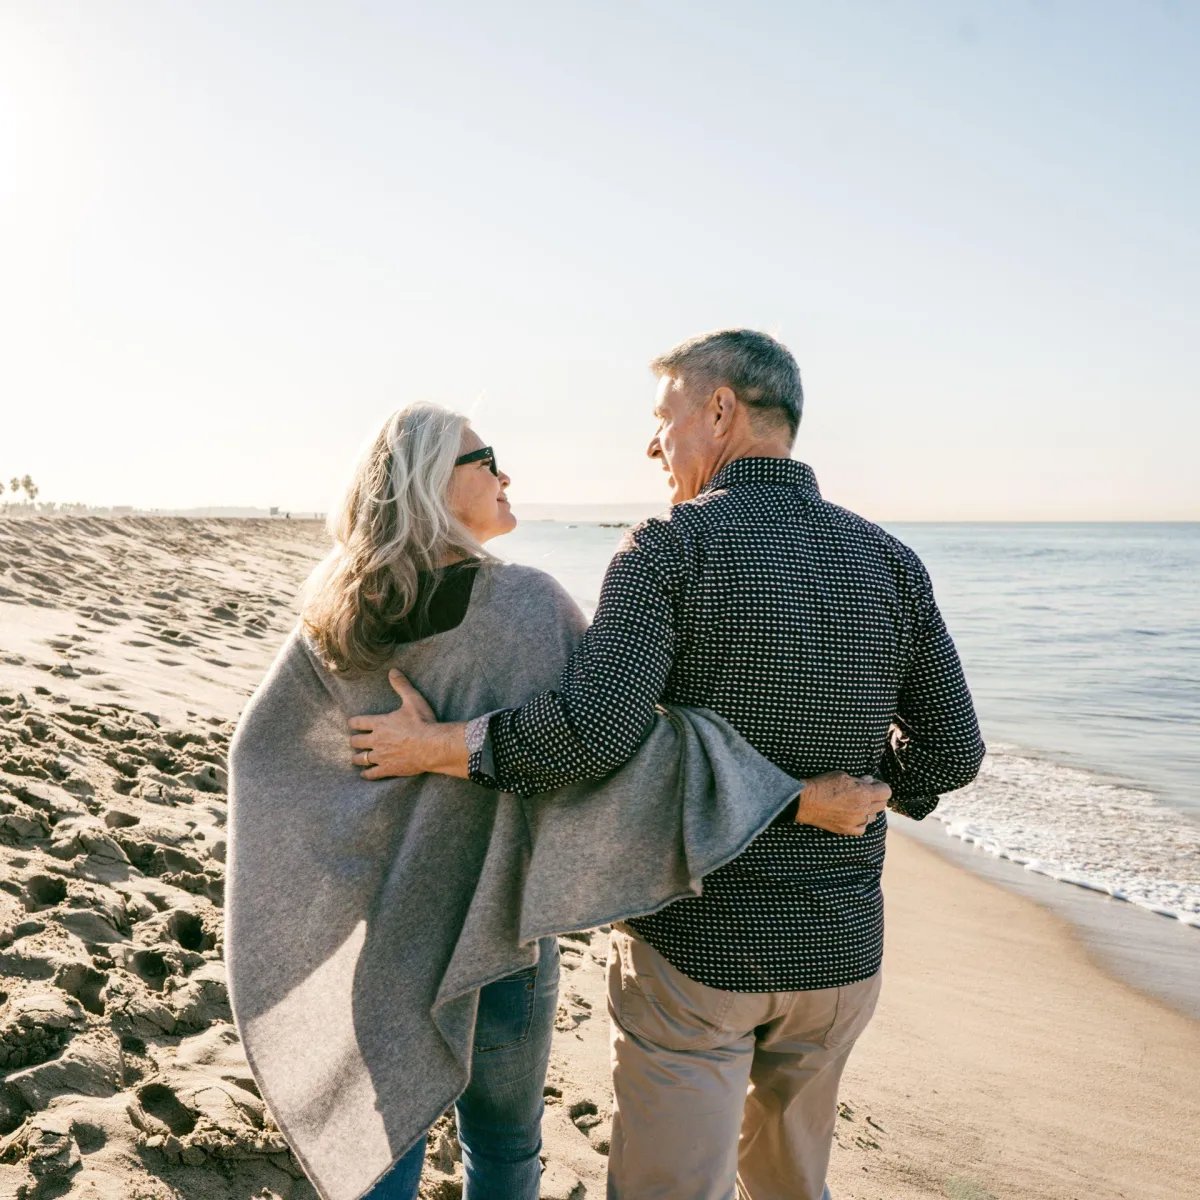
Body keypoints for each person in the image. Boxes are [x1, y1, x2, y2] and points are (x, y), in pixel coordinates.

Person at [348, 330, 986, 1200]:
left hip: (700, 951)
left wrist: (443, 746)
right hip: (840, 952)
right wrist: (876, 791)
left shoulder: (671, 549)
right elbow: (955, 750)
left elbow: (592, 735)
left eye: (664, 417)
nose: (654, 443)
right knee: (794, 1187)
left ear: (720, 410)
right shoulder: (890, 561)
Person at [228, 400, 888, 1200]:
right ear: (432, 484)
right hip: (499, 925)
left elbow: (263, 760)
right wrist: (792, 800)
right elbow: (623, 752)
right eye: (486, 459)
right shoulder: (526, 605)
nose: (506, 473)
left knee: (382, 1141)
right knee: (504, 1146)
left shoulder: (335, 615)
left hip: (386, 927)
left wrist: (355, 848)